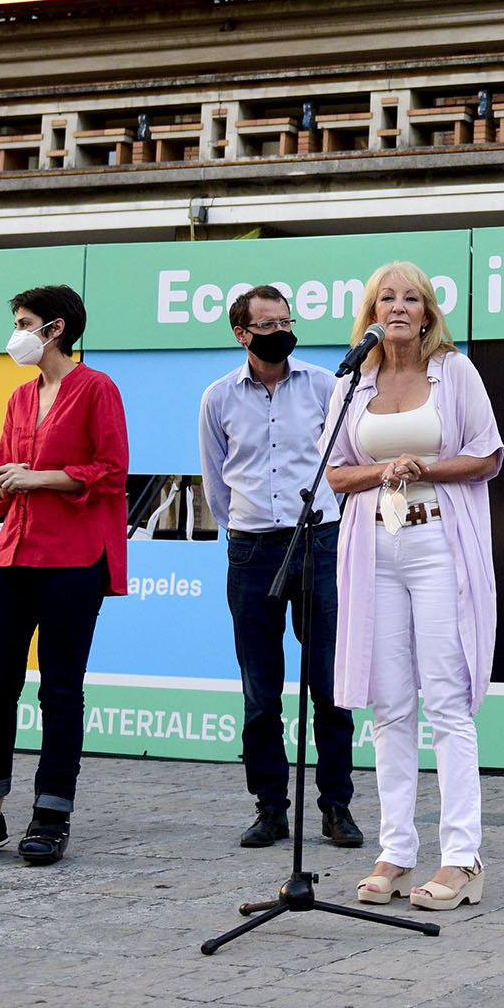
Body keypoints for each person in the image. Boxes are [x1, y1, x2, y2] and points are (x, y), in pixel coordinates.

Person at [325, 261, 503, 912]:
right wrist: (381, 473)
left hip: (436, 545)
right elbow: (337, 474)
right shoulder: (355, 381)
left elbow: (486, 454)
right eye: (385, 298)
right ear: (371, 314)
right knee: (390, 705)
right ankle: (396, 850)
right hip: (374, 549)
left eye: (411, 298)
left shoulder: (454, 372)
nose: (397, 307)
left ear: (428, 312)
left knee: (446, 703)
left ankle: (462, 858)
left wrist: (422, 465)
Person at [0, 284, 126, 867]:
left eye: (25, 322)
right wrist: (9, 483)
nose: (17, 333)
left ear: (55, 329)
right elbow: (6, 473)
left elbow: (110, 472)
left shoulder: (96, 388)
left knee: (59, 690)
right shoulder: (17, 397)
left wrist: (40, 477)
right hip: (10, 556)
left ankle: (51, 816)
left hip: (72, 559)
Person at [198, 283, 363, 850]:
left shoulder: (324, 385)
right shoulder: (217, 397)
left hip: (319, 541)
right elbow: (216, 481)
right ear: (241, 334)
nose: (280, 334)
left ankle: (336, 806)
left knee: (329, 683)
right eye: (266, 326)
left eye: (285, 322)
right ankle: (269, 807)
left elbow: (344, 462)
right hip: (251, 550)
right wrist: (244, 527)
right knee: (260, 690)